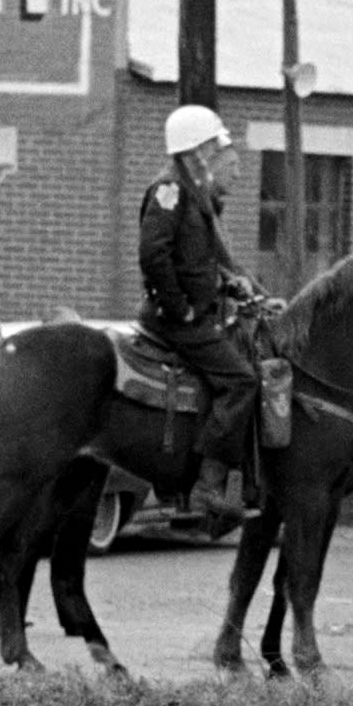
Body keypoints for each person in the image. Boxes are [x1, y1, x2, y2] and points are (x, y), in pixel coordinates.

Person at [139, 104, 265, 530]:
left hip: (196, 313)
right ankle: (208, 484)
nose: (217, 151)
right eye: (213, 144)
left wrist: (231, 286)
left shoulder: (195, 194)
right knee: (242, 380)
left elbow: (198, 263)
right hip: (177, 319)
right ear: (195, 150)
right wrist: (182, 308)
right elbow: (154, 256)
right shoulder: (169, 191)